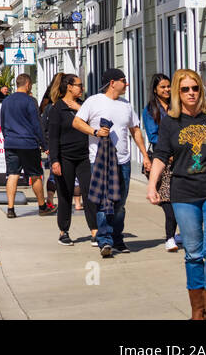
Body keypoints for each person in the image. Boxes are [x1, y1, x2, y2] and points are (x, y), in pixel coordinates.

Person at [147, 69, 206, 320]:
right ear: (177, 92)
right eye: (185, 89)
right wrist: (152, 185)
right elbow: (161, 155)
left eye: (195, 88)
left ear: (202, 89)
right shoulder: (170, 122)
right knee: (194, 253)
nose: (191, 93)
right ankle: (199, 311)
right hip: (183, 193)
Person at [74, 68, 150, 258]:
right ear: (112, 83)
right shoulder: (94, 101)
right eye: (124, 80)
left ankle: (117, 237)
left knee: (120, 203)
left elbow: (135, 130)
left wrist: (145, 155)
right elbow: (77, 122)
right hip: (100, 161)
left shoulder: (126, 105)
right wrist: (95, 132)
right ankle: (105, 240)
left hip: (123, 161)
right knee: (103, 202)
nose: (127, 84)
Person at [45, 72, 97, 245]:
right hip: (65, 157)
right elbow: (53, 137)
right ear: (69, 87)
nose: (82, 88)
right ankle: (63, 231)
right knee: (65, 194)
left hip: (85, 156)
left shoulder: (84, 105)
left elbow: (92, 126)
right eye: (79, 85)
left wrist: (79, 109)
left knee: (89, 193)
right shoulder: (57, 109)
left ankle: (95, 231)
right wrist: (55, 160)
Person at [1, 73, 54, 218]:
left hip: (11, 142)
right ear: (28, 84)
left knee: (12, 174)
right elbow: (37, 125)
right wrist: (44, 145)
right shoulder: (30, 101)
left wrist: (7, 138)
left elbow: (2, 124)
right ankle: (42, 206)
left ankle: (10, 208)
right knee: (35, 175)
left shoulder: (6, 101)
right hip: (28, 143)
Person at [142, 72, 180, 252]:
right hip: (161, 159)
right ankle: (170, 237)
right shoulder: (151, 109)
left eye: (168, 86)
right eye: (162, 87)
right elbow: (153, 135)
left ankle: (178, 234)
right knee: (167, 201)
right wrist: (168, 151)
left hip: (181, 158)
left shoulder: (177, 105)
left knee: (180, 198)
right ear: (155, 90)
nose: (166, 90)